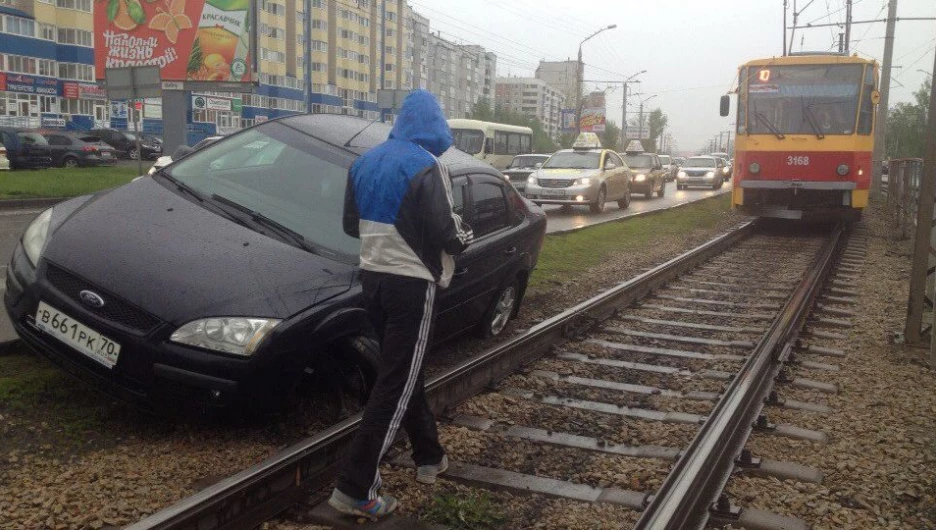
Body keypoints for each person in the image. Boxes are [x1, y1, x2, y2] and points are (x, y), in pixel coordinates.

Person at [329, 89, 473, 519]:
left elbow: (350, 225)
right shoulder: (428, 166)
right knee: (395, 384)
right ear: (434, 127)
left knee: (400, 374)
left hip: (372, 279)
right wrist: (466, 235)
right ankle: (356, 488)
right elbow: (450, 234)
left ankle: (429, 456)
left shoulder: (364, 162)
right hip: (412, 285)